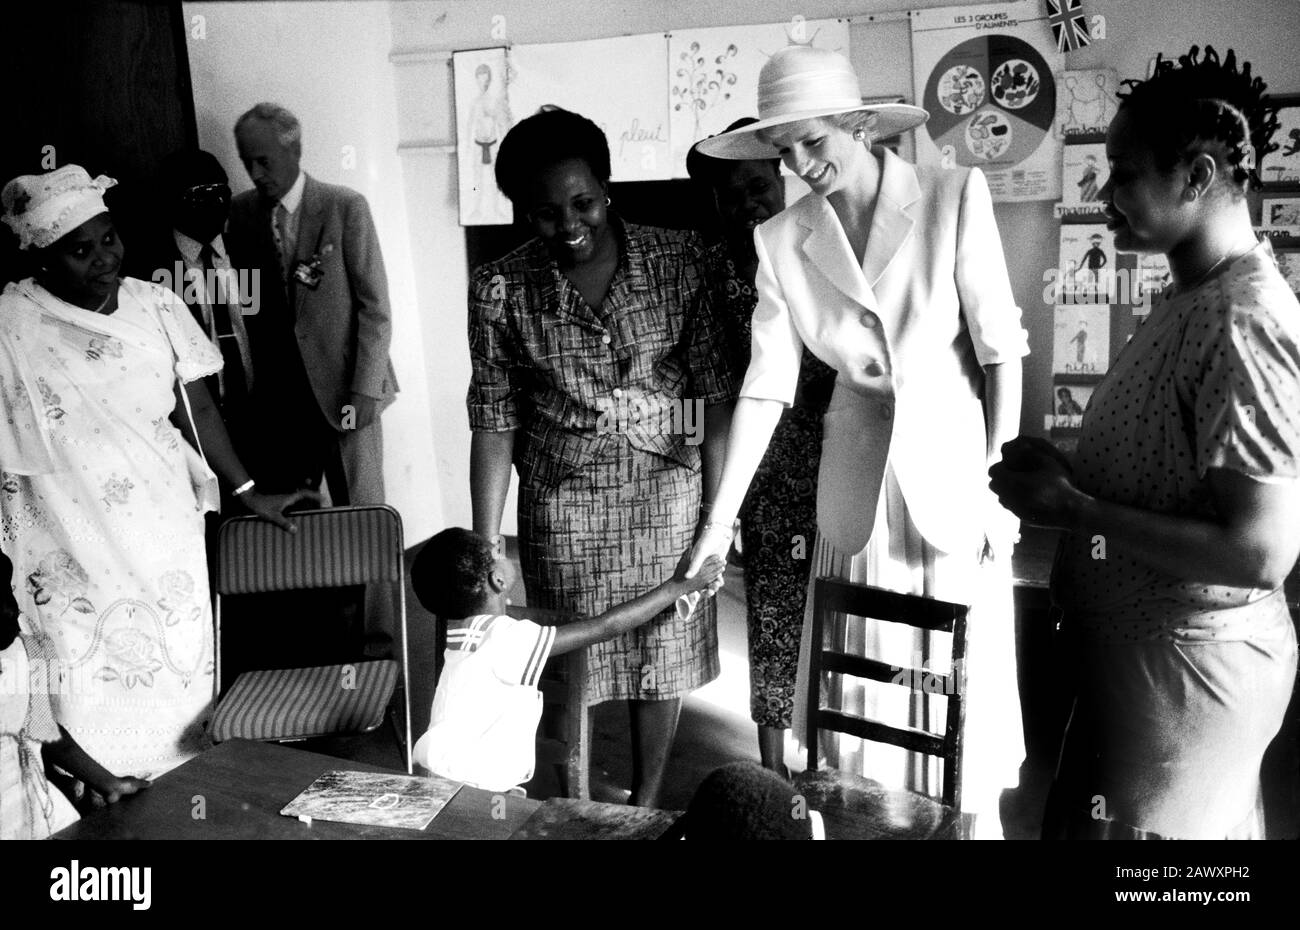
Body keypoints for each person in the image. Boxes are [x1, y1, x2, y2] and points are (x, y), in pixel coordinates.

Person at [688, 46, 1028, 837]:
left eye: (815, 142)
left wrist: (995, 490)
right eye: (784, 152)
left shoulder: (950, 196)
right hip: (855, 492)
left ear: (862, 126)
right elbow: (766, 385)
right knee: (861, 697)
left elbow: (1000, 350)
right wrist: (716, 525)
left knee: (951, 696)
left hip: (952, 489)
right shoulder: (783, 238)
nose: (800, 166)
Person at [990, 45, 1300, 840]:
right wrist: (1072, 475)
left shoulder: (1245, 317)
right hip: (1142, 661)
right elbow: (1173, 471)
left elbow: (1258, 552)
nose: (1105, 191)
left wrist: (1074, 506)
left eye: (1123, 172)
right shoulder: (1192, 295)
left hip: (1188, 671)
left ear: (1195, 177)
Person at [0, 164, 314, 779]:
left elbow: (195, 406)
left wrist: (246, 491)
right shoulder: (12, 322)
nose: (103, 258)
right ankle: (92, 794)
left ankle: (180, 787)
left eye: (109, 238)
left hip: (160, 523)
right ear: (42, 259)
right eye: (79, 250)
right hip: (65, 533)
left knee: (174, 657)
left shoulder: (156, 304)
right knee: (79, 659)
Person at [468, 107, 736, 807]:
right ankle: (576, 799)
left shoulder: (682, 260)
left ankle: (644, 805)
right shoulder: (501, 286)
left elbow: (710, 397)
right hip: (563, 499)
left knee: (661, 657)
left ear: (607, 189)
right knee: (569, 652)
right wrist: (487, 539)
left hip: (665, 493)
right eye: (545, 213)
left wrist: (718, 514)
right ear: (524, 214)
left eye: (582, 201)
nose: (568, 223)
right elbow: (495, 417)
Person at [686, 119, 836, 778]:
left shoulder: (823, 248)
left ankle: (831, 759)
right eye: (730, 193)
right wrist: (723, 504)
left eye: (757, 185)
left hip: (840, 463)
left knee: (835, 613)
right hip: (765, 476)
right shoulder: (713, 270)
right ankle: (773, 767)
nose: (747, 203)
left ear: (783, 176)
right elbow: (717, 398)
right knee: (773, 616)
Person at [226, 102, 399, 657]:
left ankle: (378, 643)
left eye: (264, 160)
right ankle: (325, 643)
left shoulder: (344, 207)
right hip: (285, 401)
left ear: (295, 150)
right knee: (302, 522)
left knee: (364, 515)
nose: (256, 173)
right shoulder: (242, 215)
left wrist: (364, 392)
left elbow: (375, 308)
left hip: (350, 393)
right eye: (247, 162)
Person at [409, 528, 724, 793]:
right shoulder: (510, 640)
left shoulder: (459, 635)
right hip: (475, 787)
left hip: (434, 775)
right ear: (497, 581)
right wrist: (677, 587)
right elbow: (605, 627)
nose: (504, 552)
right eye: (498, 552)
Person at [1, 549, 150, 839]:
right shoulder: (25, 648)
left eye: (7, 592)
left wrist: (109, 784)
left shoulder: (28, 651)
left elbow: (44, 730)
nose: (13, 609)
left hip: (40, 809)